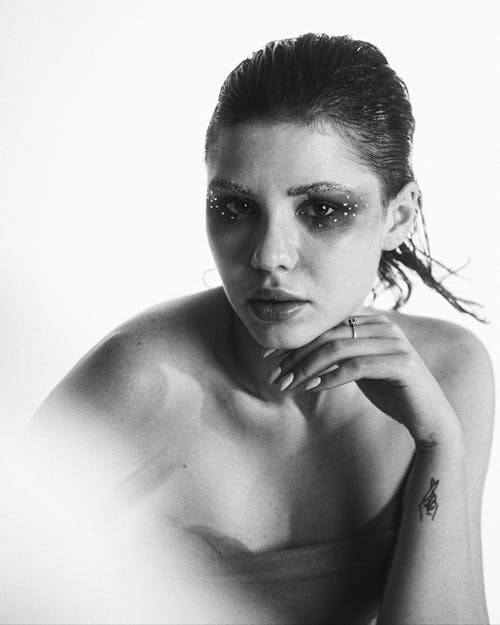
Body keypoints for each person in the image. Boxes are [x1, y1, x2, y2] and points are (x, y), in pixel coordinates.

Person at [31, 33, 494, 624]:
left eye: (322, 209)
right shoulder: (136, 385)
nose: (269, 255)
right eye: (235, 208)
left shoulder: (449, 374)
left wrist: (438, 443)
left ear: (398, 216)